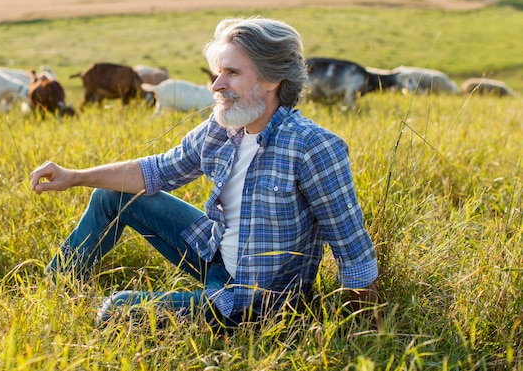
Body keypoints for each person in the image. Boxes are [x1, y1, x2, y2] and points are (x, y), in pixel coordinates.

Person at [30, 16, 379, 329]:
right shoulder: (222, 128)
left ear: (272, 80)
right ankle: (54, 289)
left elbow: (353, 249)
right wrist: (74, 175)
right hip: (213, 256)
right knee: (109, 194)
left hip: (257, 301)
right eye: (218, 72)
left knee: (115, 310)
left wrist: (362, 332)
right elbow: (157, 171)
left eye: (233, 73)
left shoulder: (313, 146)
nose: (216, 85)